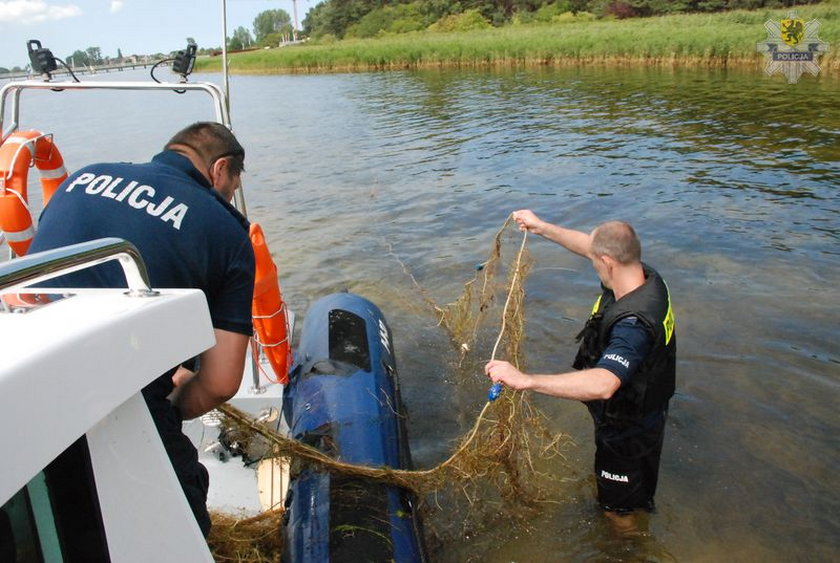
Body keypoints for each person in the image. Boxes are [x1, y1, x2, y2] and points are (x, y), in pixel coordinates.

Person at [28, 122, 255, 537]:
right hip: (117, 393)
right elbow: (221, 383)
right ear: (220, 170)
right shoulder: (226, 232)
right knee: (181, 511)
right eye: (230, 187)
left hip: (26, 366)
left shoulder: (83, 177)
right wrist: (172, 404)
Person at [485, 209, 676, 522]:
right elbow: (590, 245)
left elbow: (604, 384)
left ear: (608, 262)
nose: (591, 260)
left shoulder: (634, 324)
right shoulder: (643, 275)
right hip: (646, 407)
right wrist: (542, 227)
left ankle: (627, 542)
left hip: (628, 429)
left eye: (594, 259)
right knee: (632, 486)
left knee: (618, 511)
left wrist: (526, 380)